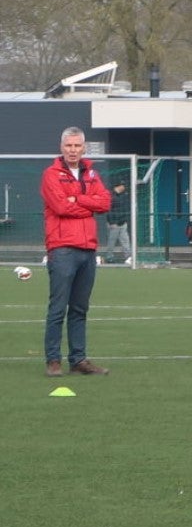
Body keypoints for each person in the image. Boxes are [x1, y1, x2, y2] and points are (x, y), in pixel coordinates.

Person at [41, 126, 114, 377]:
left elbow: (105, 202)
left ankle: (78, 360)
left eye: (77, 146)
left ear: (84, 148)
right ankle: (53, 360)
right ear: (61, 147)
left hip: (88, 249)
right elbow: (61, 207)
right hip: (62, 248)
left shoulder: (92, 173)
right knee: (58, 308)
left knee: (80, 309)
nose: (73, 150)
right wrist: (88, 204)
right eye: (68, 145)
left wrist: (78, 199)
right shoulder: (51, 175)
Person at [103, 177, 132, 262]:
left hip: (122, 222)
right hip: (114, 223)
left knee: (125, 240)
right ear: (118, 186)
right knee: (112, 241)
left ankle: (128, 257)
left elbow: (125, 208)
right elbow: (108, 210)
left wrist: (125, 220)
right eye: (122, 185)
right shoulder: (110, 195)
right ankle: (109, 257)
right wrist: (112, 222)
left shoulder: (124, 195)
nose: (124, 187)